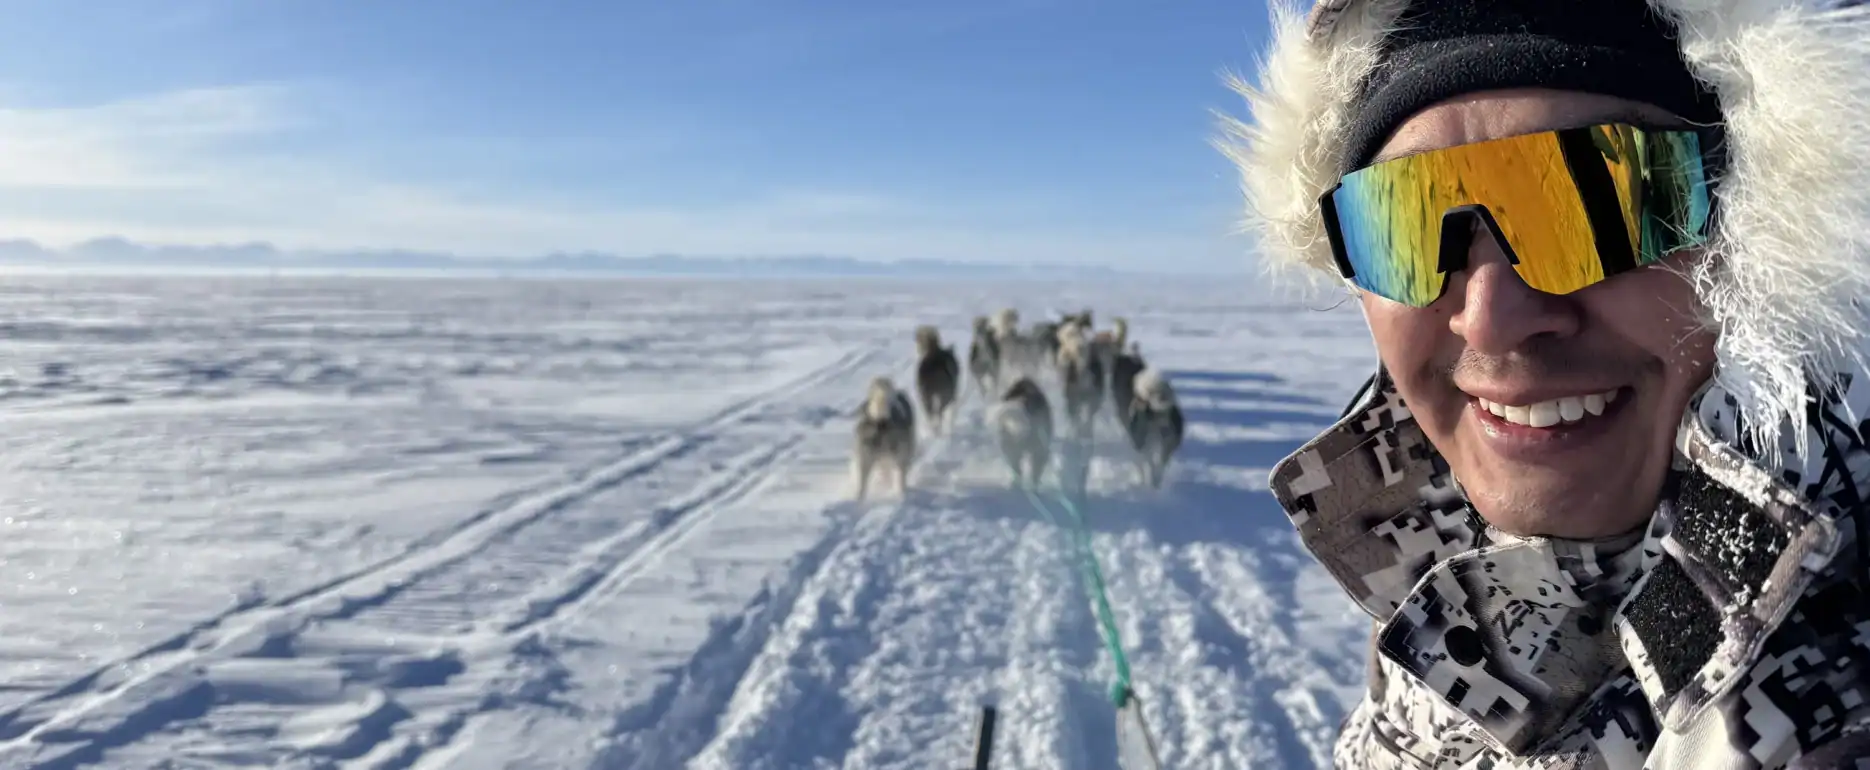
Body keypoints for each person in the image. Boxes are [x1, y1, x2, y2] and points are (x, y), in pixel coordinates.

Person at [1221, 0, 1870, 767]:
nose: (1491, 319)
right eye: (1403, 224)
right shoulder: (1438, 580)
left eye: (1600, 204)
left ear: (1759, 232)